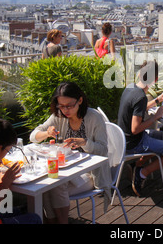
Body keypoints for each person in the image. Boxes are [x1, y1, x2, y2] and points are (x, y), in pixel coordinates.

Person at [30, 82, 111, 223]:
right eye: (61, 106)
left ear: (80, 100)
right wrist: (46, 133)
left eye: (69, 105)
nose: (65, 110)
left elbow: (103, 150)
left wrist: (85, 143)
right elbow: (33, 136)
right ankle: (52, 221)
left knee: (55, 185)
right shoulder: (59, 116)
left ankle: (59, 222)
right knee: (46, 184)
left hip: (90, 173)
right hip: (66, 168)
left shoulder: (94, 117)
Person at [117, 60, 163, 196]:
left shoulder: (131, 88)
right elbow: (135, 128)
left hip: (124, 139)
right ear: (156, 79)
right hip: (134, 142)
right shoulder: (140, 97)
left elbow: (139, 110)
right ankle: (142, 173)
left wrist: (158, 100)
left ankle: (137, 164)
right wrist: (156, 116)